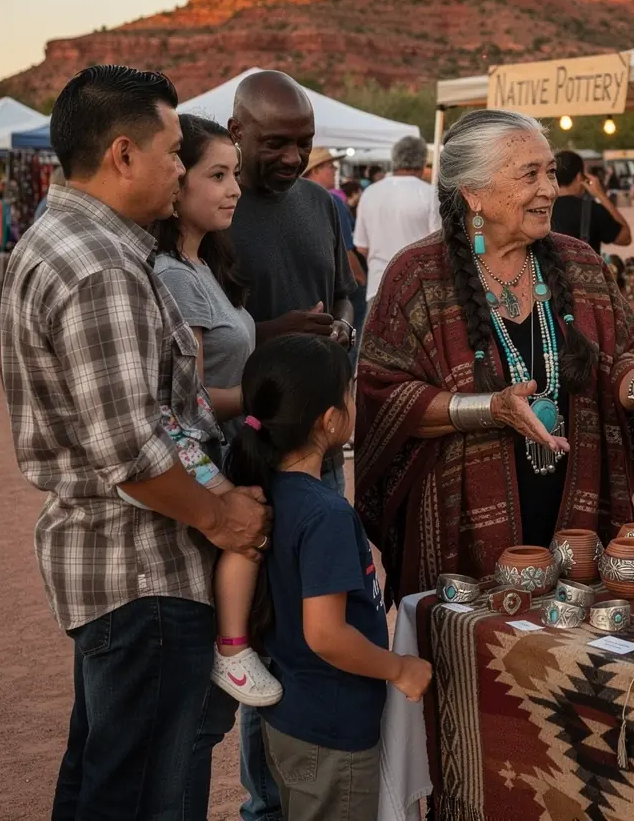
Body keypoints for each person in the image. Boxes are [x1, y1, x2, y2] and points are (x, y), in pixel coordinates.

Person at [0, 65, 270, 820]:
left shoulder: (82, 245)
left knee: (103, 780)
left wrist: (216, 491)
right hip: (140, 567)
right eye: (176, 152)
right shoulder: (100, 269)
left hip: (120, 565)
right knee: (139, 793)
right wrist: (223, 517)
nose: (181, 170)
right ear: (123, 154)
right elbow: (133, 450)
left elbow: (157, 418)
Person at [355, 109, 634, 601]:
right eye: (530, 174)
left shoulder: (580, 263)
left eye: (550, 172)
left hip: (579, 526)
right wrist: (489, 408)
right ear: (472, 193)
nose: (550, 189)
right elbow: (383, 394)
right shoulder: (417, 277)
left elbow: (623, 351)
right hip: (464, 533)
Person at [230, 335, 433, 821]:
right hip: (331, 731)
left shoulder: (267, 492)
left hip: (296, 718)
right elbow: (325, 633)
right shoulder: (325, 514)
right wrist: (399, 669)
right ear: (329, 419)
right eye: (349, 393)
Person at [226, 68, 357, 821]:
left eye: (304, 143)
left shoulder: (322, 205)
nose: (292, 157)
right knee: (258, 635)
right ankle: (262, 802)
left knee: (315, 622)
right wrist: (274, 337)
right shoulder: (211, 209)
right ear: (237, 131)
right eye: (276, 143)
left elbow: (341, 292)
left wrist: (338, 326)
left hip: (323, 453)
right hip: (246, 458)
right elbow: (204, 340)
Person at [147, 113, 281, 715]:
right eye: (217, 175)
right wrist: (273, 398)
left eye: (234, 175)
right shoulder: (174, 276)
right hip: (201, 462)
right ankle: (232, 650)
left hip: (227, 451)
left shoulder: (203, 265)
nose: (234, 188)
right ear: (177, 188)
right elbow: (190, 397)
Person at [353, 135, 435, 308]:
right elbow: (438, 247)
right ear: (422, 162)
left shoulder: (370, 193)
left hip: (378, 287)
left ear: (395, 160)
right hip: (419, 290)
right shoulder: (431, 194)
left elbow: (361, 248)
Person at [304, 148, 369, 355]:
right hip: (343, 289)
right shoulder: (329, 201)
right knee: (347, 342)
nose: (334, 171)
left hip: (319, 289)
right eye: (330, 167)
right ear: (315, 170)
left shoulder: (300, 200)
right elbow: (347, 251)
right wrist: (360, 278)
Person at [552, 150, 631, 254]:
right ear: (579, 177)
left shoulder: (542, 209)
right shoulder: (591, 209)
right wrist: (600, 195)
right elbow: (625, 238)